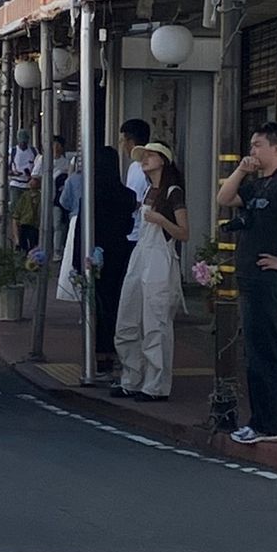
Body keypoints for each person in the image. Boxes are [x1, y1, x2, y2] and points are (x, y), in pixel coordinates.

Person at [217, 122, 277, 445]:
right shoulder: (257, 186)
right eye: (252, 145)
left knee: (266, 353)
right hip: (251, 278)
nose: (253, 150)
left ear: (276, 148)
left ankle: (269, 424)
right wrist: (242, 171)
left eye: (258, 145)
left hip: (269, 281)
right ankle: (262, 421)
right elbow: (224, 197)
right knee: (255, 353)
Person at [112, 142, 188, 401]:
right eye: (143, 156)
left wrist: (162, 220)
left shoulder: (173, 192)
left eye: (151, 155)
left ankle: (155, 385)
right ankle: (131, 378)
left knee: (156, 322)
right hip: (141, 254)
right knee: (128, 318)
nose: (145, 159)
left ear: (163, 160)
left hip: (160, 257)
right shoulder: (148, 191)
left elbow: (184, 232)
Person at [74, 147, 137, 375]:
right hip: (120, 253)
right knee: (116, 304)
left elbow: (82, 230)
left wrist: (76, 262)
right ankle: (116, 352)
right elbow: (129, 226)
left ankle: (98, 355)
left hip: (94, 256)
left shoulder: (90, 196)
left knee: (95, 306)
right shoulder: (128, 196)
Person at [119, 118, 152, 244]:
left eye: (123, 141)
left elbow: (135, 202)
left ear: (131, 142)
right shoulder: (133, 167)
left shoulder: (141, 169)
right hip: (132, 231)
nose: (122, 146)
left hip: (138, 233)